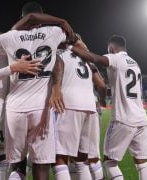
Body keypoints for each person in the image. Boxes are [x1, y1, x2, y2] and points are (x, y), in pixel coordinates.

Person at [0, 2, 75, 179]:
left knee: (17, 165)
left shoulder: (7, 37)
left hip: (15, 108)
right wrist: (62, 23)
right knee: (41, 166)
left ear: (21, 19)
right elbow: (68, 45)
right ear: (42, 19)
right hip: (41, 107)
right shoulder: (54, 32)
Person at [69, 35, 147, 180]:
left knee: (109, 162)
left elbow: (94, 58)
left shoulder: (116, 58)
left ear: (111, 48)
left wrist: (70, 48)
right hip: (142, 119)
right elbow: (120, 89)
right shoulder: (134, 63)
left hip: (124, 118)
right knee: (142, 164)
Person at [49, 36, 106, 180]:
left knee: (59, 158)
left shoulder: (58, 55)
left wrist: (55, 88)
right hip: (90, 107)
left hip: (68, 105)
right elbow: (101, 84)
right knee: (83, 160)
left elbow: (58, 70)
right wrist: (102, 100)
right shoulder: (86, 59)